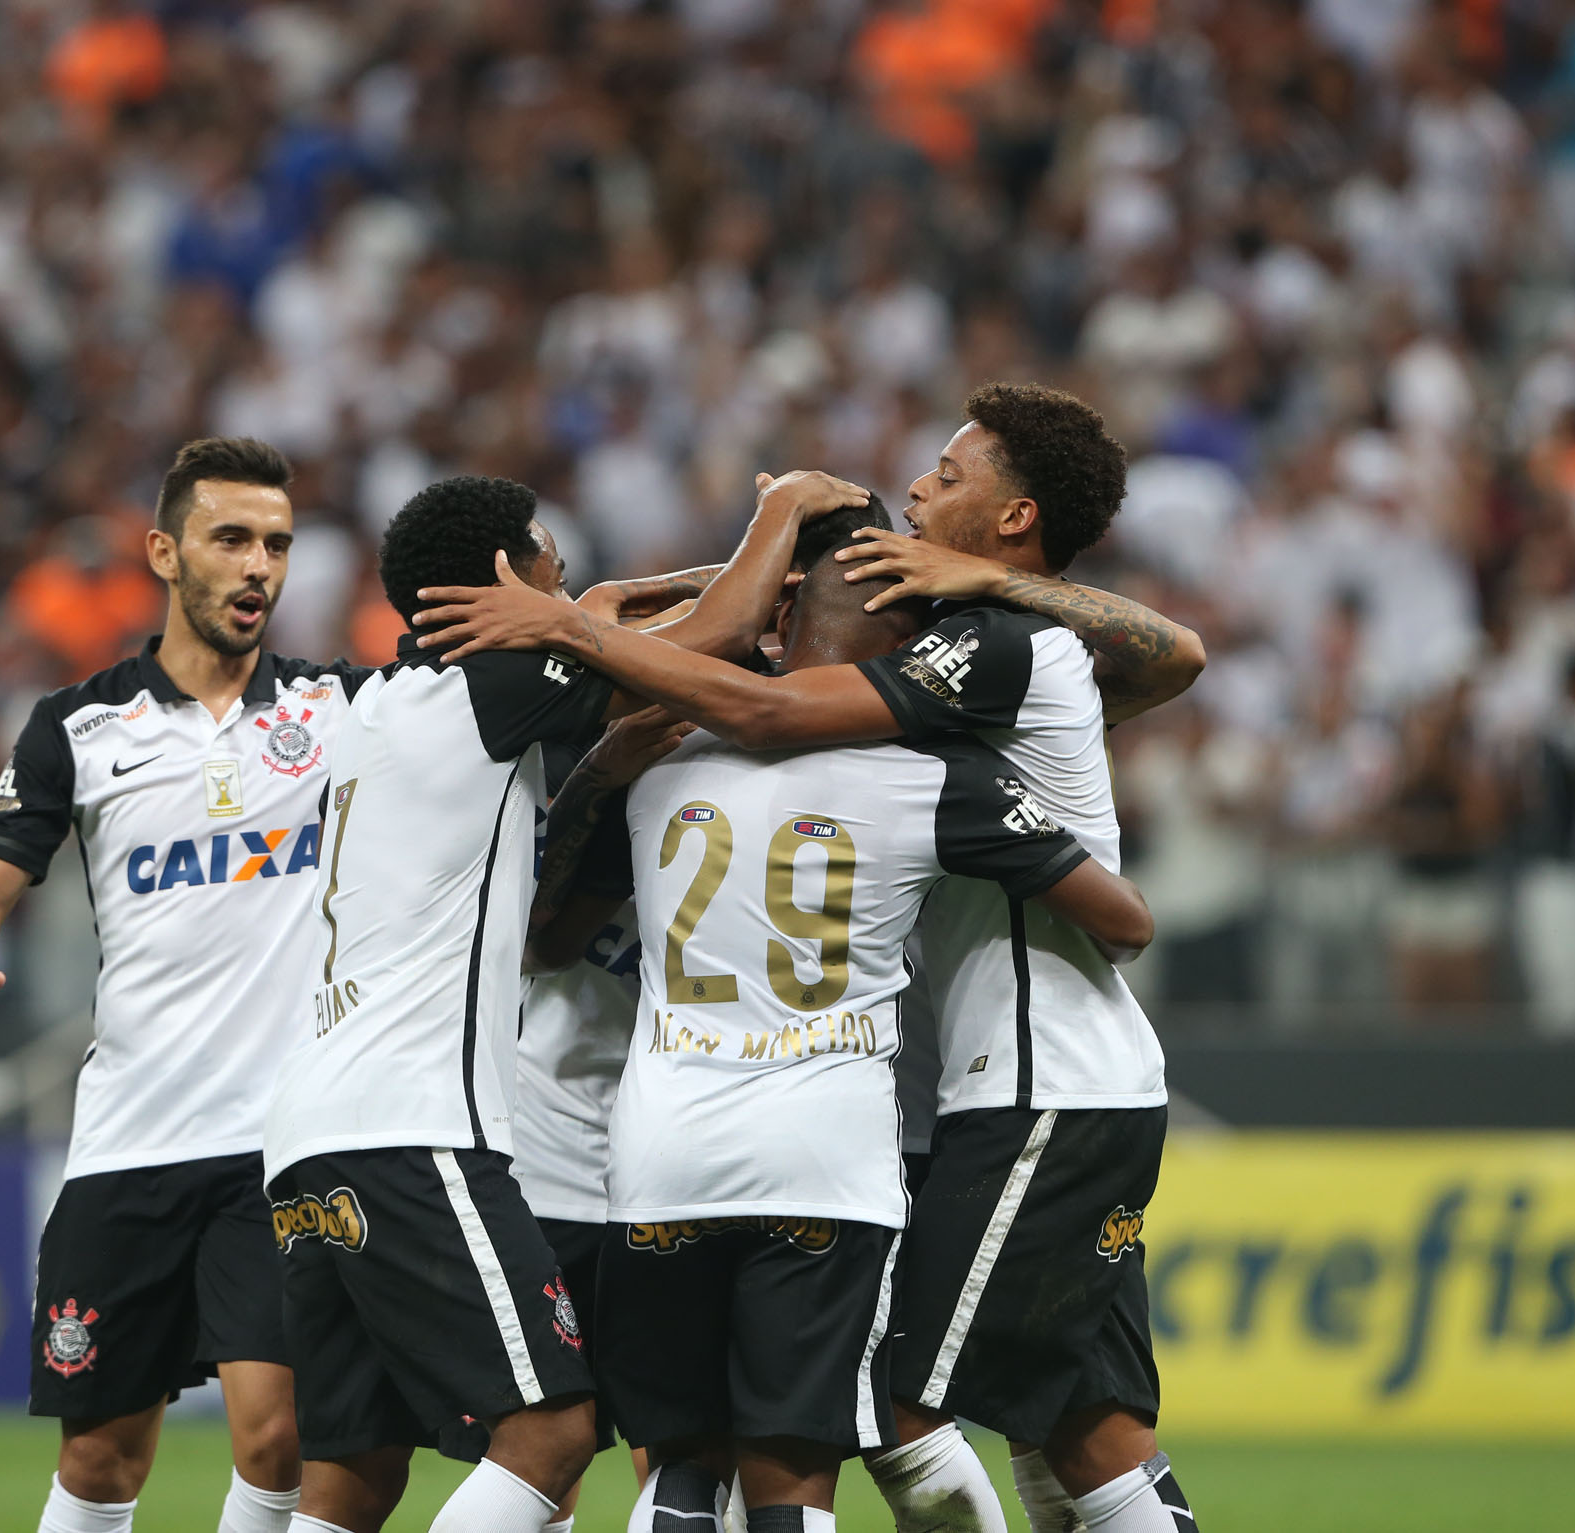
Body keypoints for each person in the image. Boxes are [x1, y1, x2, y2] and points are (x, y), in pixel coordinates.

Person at [411, 383, 1206, 1533]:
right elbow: (1151, 655)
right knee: (1074, 1423)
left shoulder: (993, 649)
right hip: (996, 1095)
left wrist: (585, 631)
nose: (920, 488)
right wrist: (751, 574)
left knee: (887, 1396)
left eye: (947, 473)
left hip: (1043, 1087)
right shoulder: (949, 695)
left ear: (1014, 519)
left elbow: (772, 714)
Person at [258, 469, 864, 1533]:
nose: (566, 574)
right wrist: (786, 510)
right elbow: (709, 635)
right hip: (414, 1126)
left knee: (353, 1476)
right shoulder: (491, 689)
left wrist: (588, 612)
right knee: (550, 1433)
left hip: (309, 1130)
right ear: (503, 580)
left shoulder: (379, 700)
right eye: (547, 559)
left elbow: (608, 621)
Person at [525, 552, 1158, 1533]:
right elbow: (1121, 921)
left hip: (661, 1159)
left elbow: (551, 935)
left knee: (685, 1470)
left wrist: (606, 763)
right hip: (824, 1167)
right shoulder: (935, 779)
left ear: (781, 633)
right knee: (794, 1476)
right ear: (906, 655)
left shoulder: (663, 762)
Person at [0, 437, 357, 1533]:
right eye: (231, 539)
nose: (259, 567)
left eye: (277, 545)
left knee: (278, 1434)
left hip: (279, 1140)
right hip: (130, 1140)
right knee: (103, 1462)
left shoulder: (338, 711)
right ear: (164, 552)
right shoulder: (79, 726)